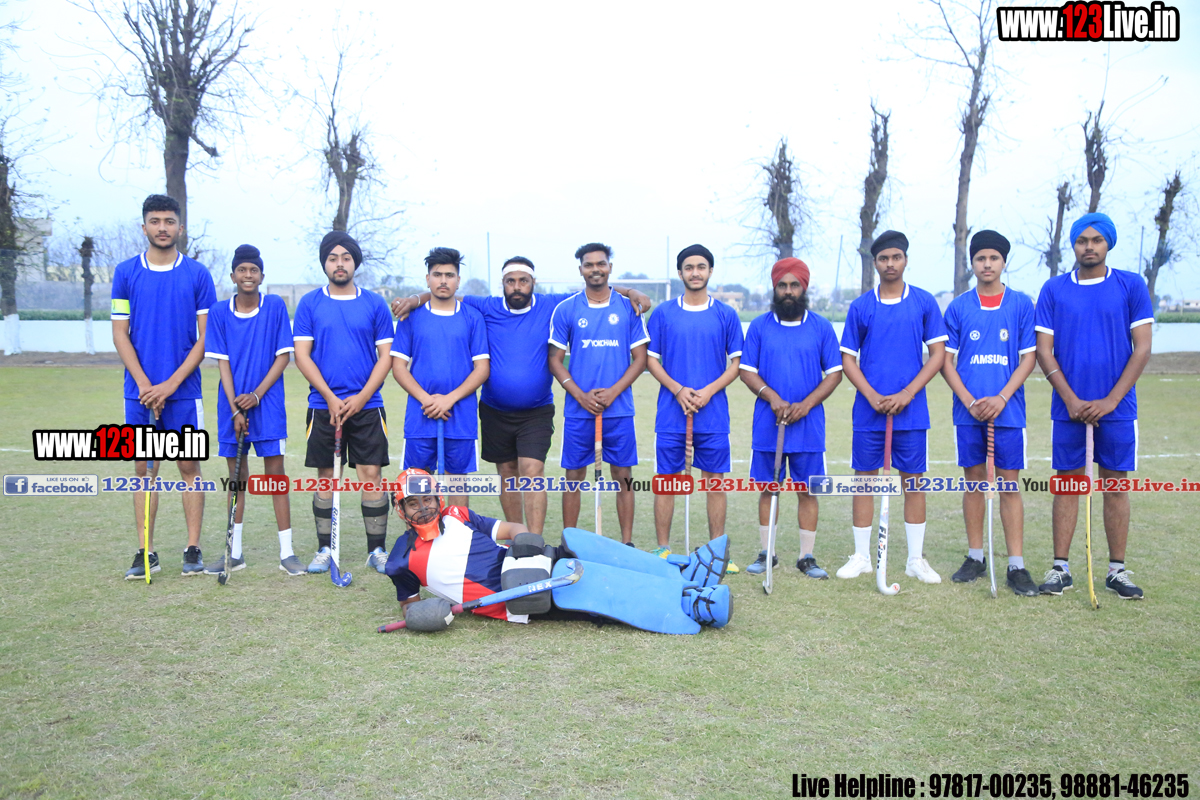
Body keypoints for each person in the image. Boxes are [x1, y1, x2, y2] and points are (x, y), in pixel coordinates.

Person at [390, 257, 652, 533]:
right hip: (495, 409)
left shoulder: (551, 304)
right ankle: (517, 537)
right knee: (506, 473)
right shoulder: (487, 306)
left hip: (536, 410)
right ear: (502, 284)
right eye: (510, 281)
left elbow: (595, 287)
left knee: (532, 471)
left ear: (533, 282)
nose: (517, 286)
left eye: (523, 281)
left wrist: (630, 291)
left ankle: (534, 541)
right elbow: (444, 293)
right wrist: (415, 299)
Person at [385, 468, 732, 633]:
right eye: (413, 503)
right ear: (401, 509)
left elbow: (509, 528)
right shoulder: (401, 560)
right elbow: (410, 608)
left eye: (428, 499)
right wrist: (428, 616)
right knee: (593, 583)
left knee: (582, 543)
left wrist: (523, 541)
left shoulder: (458, 514)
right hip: (516, 595)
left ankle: (682, 570)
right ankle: (689, 603)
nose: (423, 509)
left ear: (438, 498)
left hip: (525, 561)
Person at [1034, 212, 1152, 600]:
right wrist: (1070, 398)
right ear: (1073, 245)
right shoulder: (1054, 289)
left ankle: (1117, 571)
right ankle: (1060, 569)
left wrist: (1110, 400)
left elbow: (1142, 348)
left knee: (1115, 486)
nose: (1089, 246)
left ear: (1108, 243)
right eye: (1082, 240)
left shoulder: (1131, 285)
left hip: (1117, 409)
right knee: (1068, 484)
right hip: (1068, 408)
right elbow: (1044, 351)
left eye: (1096, 240)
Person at [113, 194, 216, 579]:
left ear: (180, 227)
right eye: (155, 221)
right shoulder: (126, 272)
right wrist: (145, 385)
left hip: (184, 393)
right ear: (144, 227)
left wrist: (170, 385)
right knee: (144, 469)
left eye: (169, 221)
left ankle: (193, 549)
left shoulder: (197, 274)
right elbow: (120, 333)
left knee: (189, 466)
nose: (162, 227)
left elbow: (206, 338)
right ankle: (146, 552)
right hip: (139, 393)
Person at [838, 230, 948, 584]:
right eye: (883, 258)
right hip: (869, 412)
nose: (890, 264)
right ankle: (861, 557)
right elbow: (848, 359)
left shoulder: (923, 302)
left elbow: (937, 355)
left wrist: (908, 393)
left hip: (911, 412)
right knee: (864, 481)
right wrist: (872, 396)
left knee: (913, 482)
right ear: (875, 263)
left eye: (896, 257)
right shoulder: (861, 306)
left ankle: (915, 559)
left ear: (905, 260)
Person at [940, 231, 1039, 596]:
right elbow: (946, 362)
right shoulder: (958, 307)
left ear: (1003, 262)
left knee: (1009, 485)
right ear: (972, 263)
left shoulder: (1021, 304)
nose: (987, 264)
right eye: (980, 258)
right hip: (968, 413)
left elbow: (1029, 358)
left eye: (993, 258)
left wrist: (1001, 397)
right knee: (974, 482)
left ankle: (1016, 565)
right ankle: (975, 556)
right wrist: (969, 401)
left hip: (1007, 411)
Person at [293, 232, 395, 575]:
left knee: (371, 475)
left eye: (346, 258)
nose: (340, 264)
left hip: (368, 405)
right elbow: (302, 355)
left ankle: (377, 550)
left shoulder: (375, 304)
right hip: (324, 405)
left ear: (355, 263)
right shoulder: (309, 303)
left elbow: (385, 357)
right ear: (325, 263)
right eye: (333, 258)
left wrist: (361, 397)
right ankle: (324, 549)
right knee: (327, 476)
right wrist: (330, 397)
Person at [202, 245, 303, 576]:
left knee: (276, 477)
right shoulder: (219, 312)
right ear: (233, 275)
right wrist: (235, 409)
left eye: (253, 270)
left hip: (267, 403)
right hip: (232, 406)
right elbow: (223, 364)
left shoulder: (274, 306)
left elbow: (283, 357)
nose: (248, 275)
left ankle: (287, 553)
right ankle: (235, 553)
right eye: (242, 270)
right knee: (237, 479)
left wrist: (256, 396)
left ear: (261, 276)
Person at [738, 257, 842, 578]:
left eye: (794, 285)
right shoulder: (759, 327)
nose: (788, 291)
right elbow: (746, 371)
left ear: (804, 288)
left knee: (808, 490)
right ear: (774, 288)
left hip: (808, 425)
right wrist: (773, 398)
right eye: (782, 285)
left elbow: (834, 374)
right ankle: (766, 553)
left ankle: (806, 557)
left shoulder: (821, 327)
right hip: (768, 423)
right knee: (768, 488)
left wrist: (806, 405)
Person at [646, 244, 744, 573]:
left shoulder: (726, 315)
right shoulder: (663, 313)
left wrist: (707, 392)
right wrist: (678, 390)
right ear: (680, 273)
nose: (695, 272)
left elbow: (736, 364)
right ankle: (663, 549)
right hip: (671, 414)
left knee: (715, 481)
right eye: (689, 267)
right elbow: (651, 360)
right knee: (667, 480)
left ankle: (718, 551)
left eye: (701, 267)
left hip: (712, 415)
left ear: (710, 271)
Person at [548, 243, 649, 546]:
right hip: (579, 410)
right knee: (573, 478)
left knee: (624, 476)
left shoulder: (628, 307)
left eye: (601, 264)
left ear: (610, 267)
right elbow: (555, 360)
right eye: (589, 264)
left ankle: (627, 543)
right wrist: (580, 395)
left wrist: (614, 392)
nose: (595, 269)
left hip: (619, 409)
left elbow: (640, 359)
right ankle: (569, 544)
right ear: (581, 269)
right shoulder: (566, 309)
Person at [391, 247, 489, 509]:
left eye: (449, 275)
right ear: (427, 279)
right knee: (417, 480)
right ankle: (420, 532)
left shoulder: (472, 317)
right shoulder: (411, 318)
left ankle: (458, 531)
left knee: (457, 481)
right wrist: (427, 400)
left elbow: (482, 369)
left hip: (460, 413)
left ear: (458, 280)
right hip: (420, 413)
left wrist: (449, 400)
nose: (443, 280)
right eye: (437, 275)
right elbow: (398, 367)